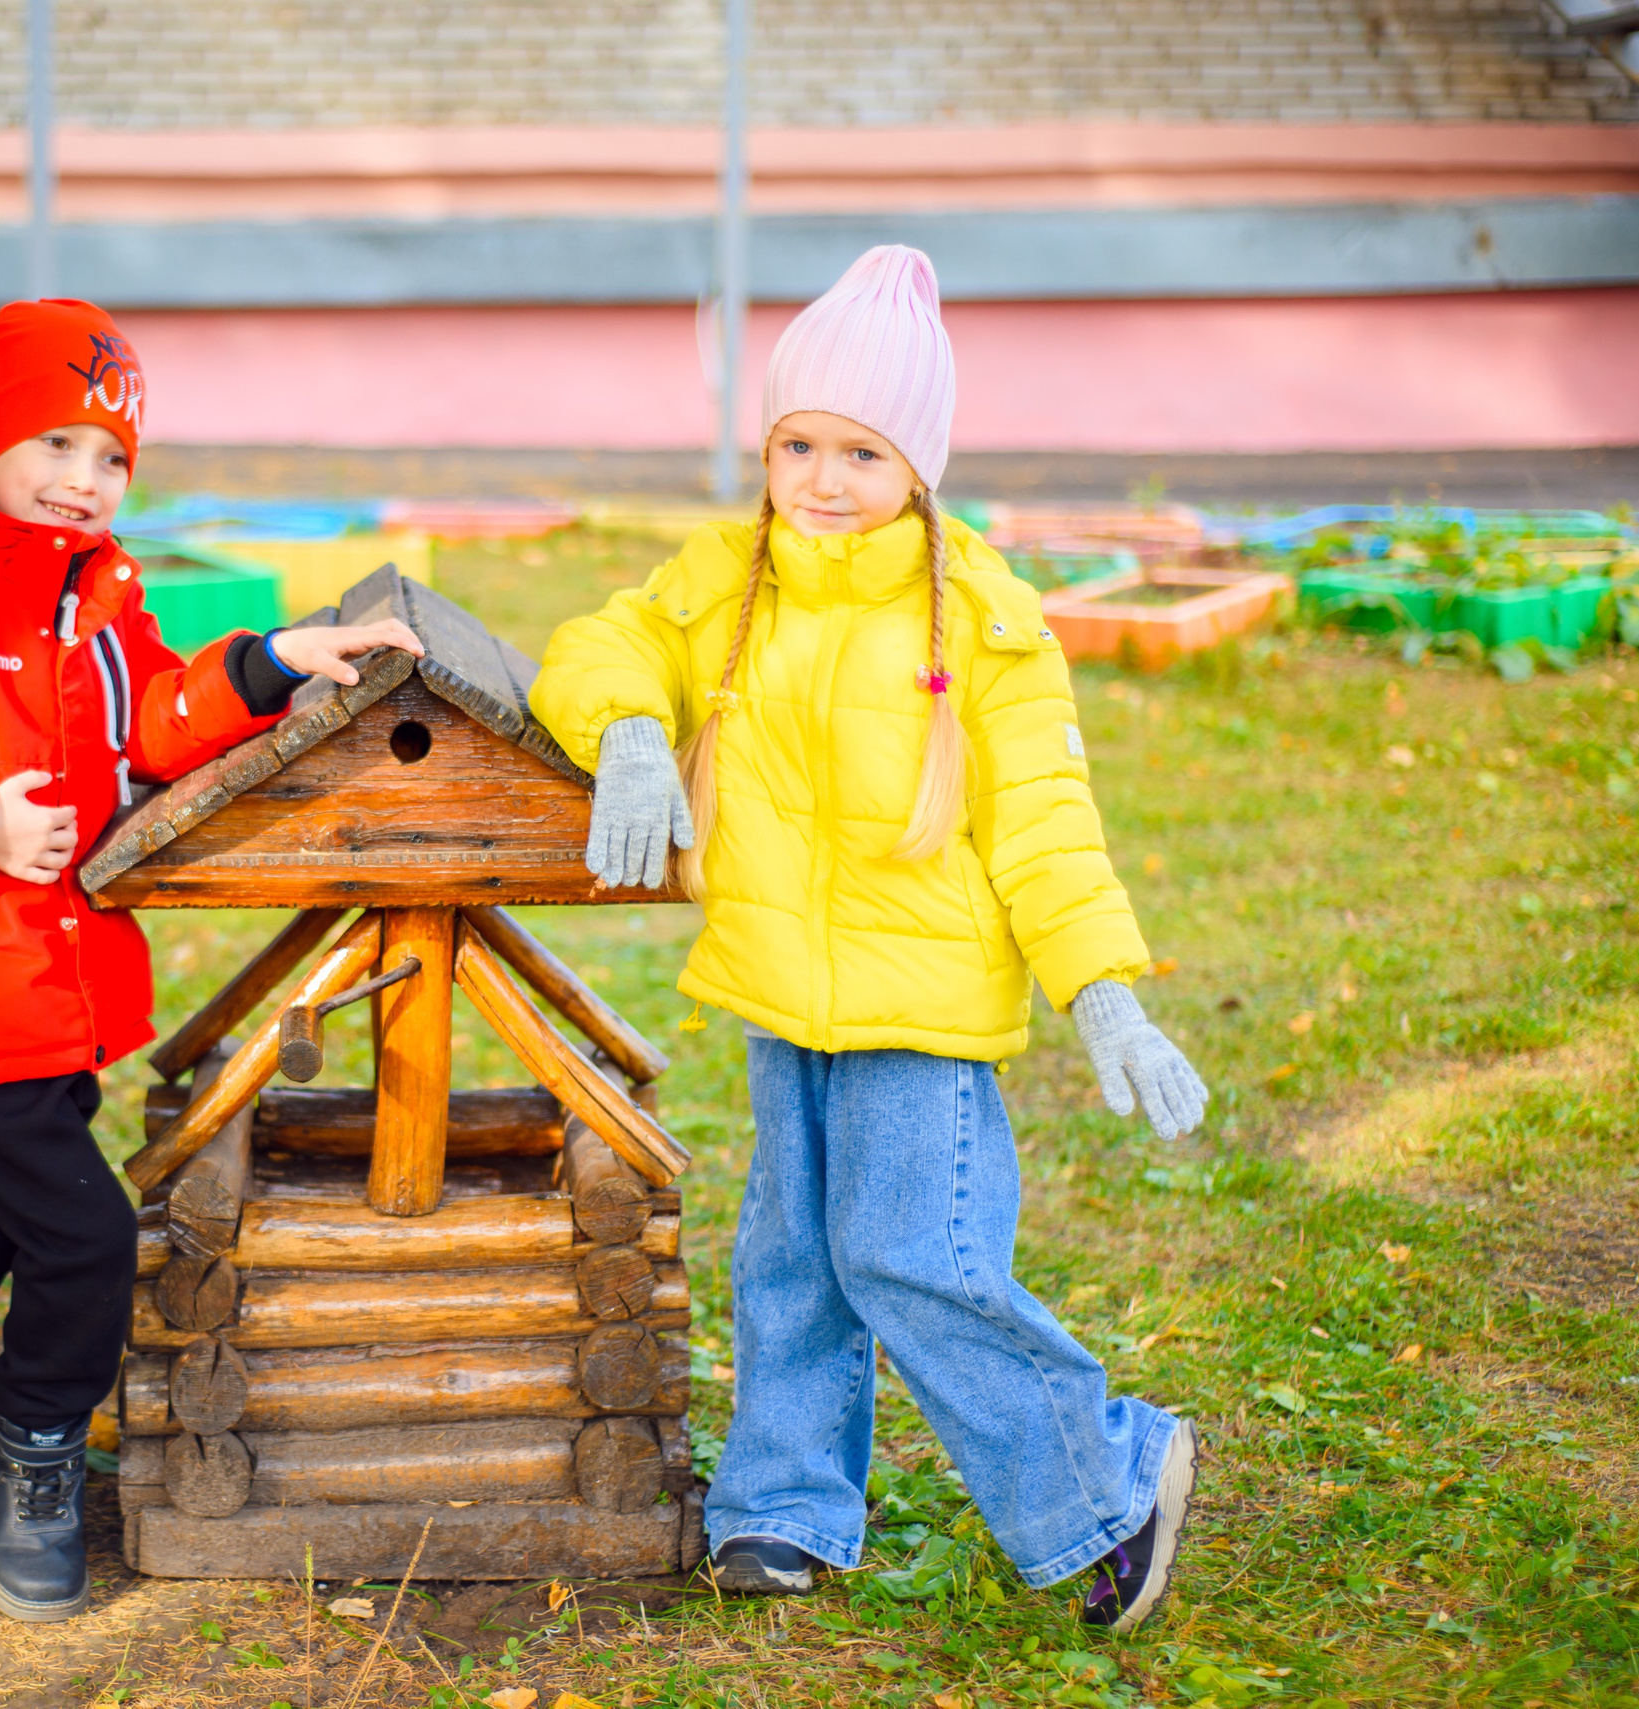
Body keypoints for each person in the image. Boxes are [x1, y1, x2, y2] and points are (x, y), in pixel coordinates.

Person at [527, 247, 1208, 1632]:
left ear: (919, 462)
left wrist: (1104, 994)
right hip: (785, 994)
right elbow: (599, 645)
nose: (824, 478)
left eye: (861, 448)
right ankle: (784, 1504)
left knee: (910, 1252)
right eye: (797, 443)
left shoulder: (984, 614)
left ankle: (1108, 1476)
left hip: (922, 1009)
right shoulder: (731, 577)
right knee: (788, 1254)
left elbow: (1046, 825)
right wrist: (636, 725)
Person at [0, 298, 420, 1621]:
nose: (83, 478)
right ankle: (39, 1457)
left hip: (48, 988)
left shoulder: (97, 597)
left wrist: (273, 658)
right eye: (55, 443)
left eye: (111, 456)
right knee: (79, 1243)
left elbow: (160, 719)